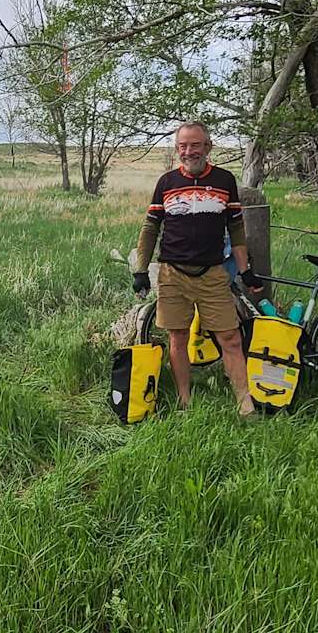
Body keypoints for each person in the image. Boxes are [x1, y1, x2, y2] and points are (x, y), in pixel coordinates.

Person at [132, 121, 263, 415]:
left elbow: (237, 228)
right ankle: (184, 402)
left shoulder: (225, 180)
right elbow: (150, 226)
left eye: (195, 145)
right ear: (177, 149)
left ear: (208, 147)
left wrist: (245, 270)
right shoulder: (166, 183)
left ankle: (245, 404)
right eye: (183, 146)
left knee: (230, 337)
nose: (188, 151)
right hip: (172, 274)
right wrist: (141, 270)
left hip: (213, 273)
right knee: (177, 338)